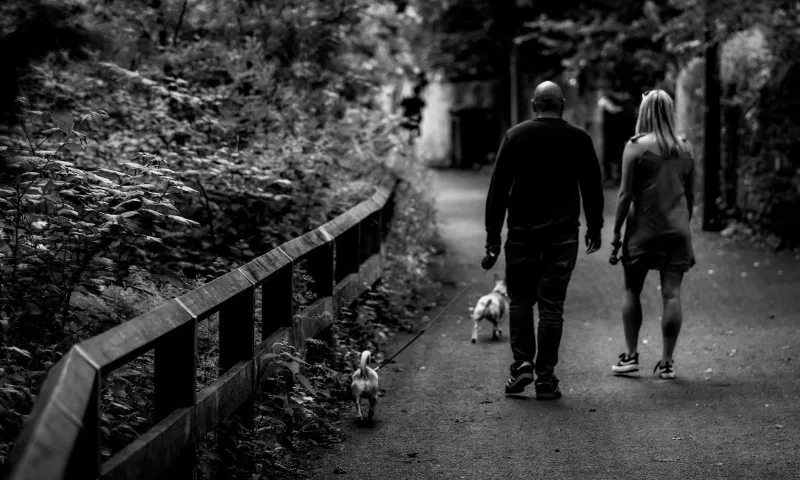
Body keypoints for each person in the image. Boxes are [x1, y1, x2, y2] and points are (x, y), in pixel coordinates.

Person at [482, 81, 604, 399]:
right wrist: (595, 227)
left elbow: (497, 190)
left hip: (522, 235)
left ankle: (522, 363)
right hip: (563, 237)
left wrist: (492, 237)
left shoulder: (515, 137)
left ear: (535, 105)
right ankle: (546, 378)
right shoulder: (579, 139)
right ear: (561, 105)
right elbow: (592, 186)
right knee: (552, 307)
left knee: (521, 300)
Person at [609, 89, 695, 380]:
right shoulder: (684, 147)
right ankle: (667, 362)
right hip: (677, 231)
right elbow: (691, 196)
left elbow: (624, 195)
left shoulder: (635, 147)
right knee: (672, 295)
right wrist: (684, 224)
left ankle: (631, 356)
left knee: (632, 290)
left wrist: (616, 235)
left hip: (643, 231)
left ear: (643, 112)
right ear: (670, 112)